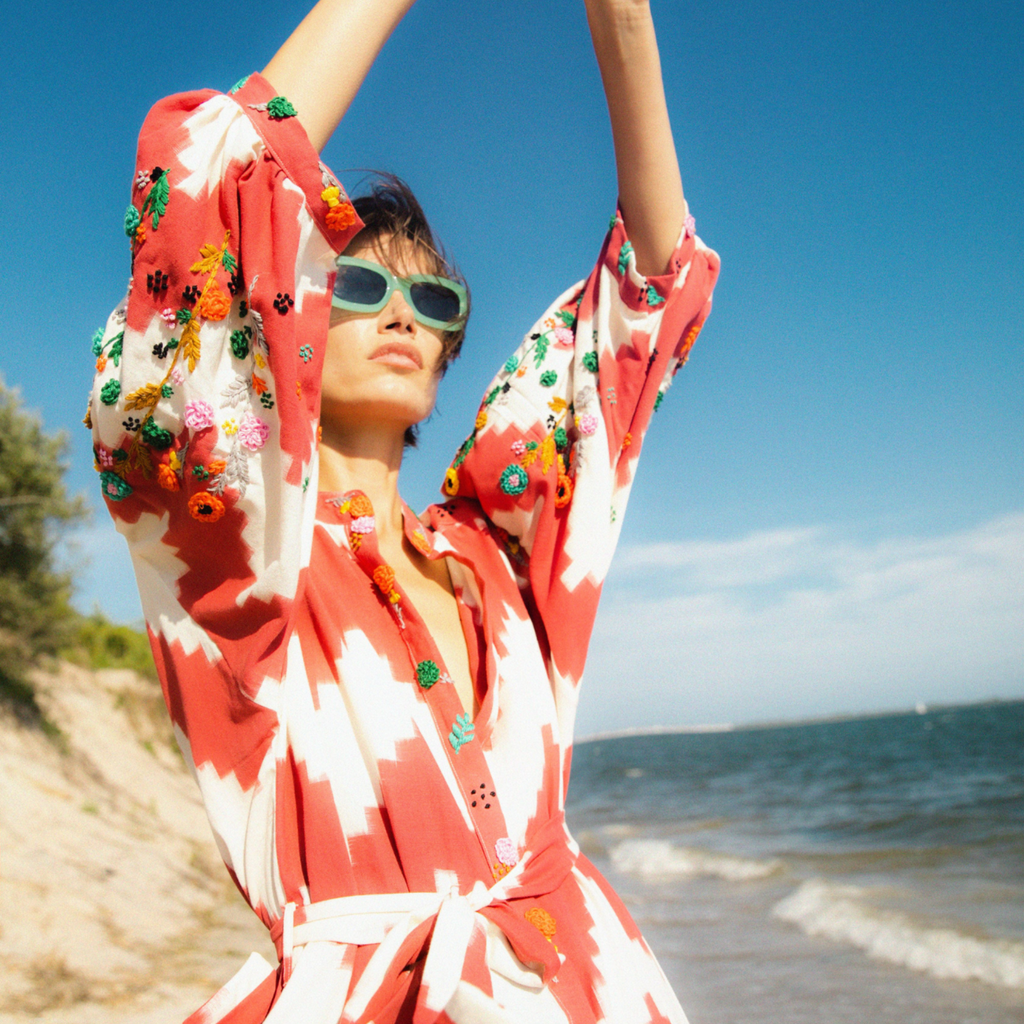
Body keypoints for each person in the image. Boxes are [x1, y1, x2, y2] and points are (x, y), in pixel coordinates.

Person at [88, 0, 720, 1021]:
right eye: (359, 283)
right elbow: (210, 189)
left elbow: (647, 303)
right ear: (289, 306)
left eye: (434, 303)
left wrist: (624, 24)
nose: (400, 313)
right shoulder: (237, 557)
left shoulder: (496, 553)